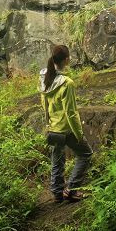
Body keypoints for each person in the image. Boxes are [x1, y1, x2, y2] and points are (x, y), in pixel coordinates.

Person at [39, 45, 93, 203]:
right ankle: (71, 190)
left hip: (52, 129)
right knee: (85, 154)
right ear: (67, 59)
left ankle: (57, 193)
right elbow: (71, 112)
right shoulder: (67, 83)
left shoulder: (44, 76)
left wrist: (49, 123)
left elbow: (44, 104)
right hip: (65, 130)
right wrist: (78, 133)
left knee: (57, 159)